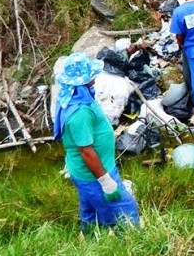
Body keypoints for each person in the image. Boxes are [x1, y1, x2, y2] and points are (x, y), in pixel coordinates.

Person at [54, 53, 140, 230]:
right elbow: (86, 151)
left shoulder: (72, 96)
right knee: (125, 211)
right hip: (94, 175)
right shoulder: (80, 113)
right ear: (82, 81)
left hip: (84, 172)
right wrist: (105, 181)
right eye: (91, 76)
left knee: (91, 214)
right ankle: (132, 242)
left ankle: (91, 241)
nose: (94, 79)